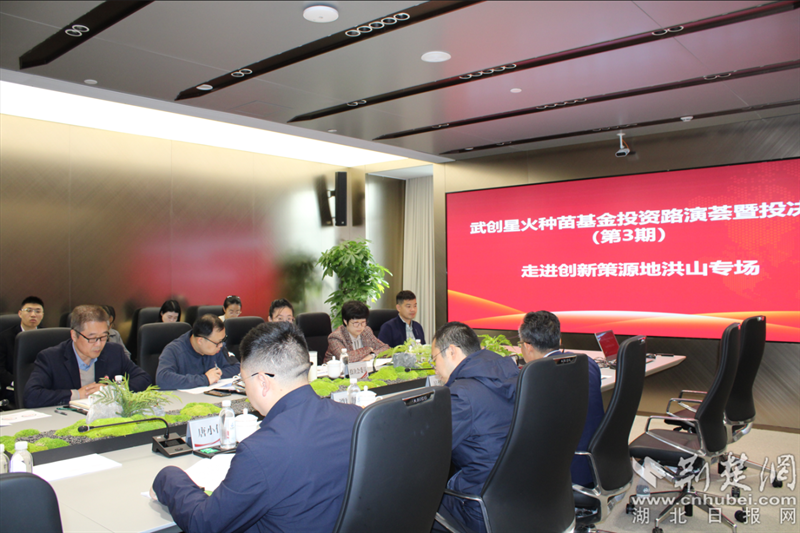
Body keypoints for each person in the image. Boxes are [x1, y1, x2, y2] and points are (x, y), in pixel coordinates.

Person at [151, 321, 361, 533]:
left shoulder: (260, 450)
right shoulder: (356, 418)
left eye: (243, 381)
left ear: (262, 382)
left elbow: (204, 524)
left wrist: (167, 477)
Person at [430, 322, 519, 533]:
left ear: (451, 351)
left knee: (414, 506)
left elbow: (429, 450)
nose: (435, 368)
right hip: (519, 495)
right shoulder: (511, 374)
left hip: (479, 506)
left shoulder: (462, 394)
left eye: (434, 359)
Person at [518, 310, 604, 488]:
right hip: (597, 461)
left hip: (565, 471)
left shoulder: (537, 377)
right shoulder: (588, 363)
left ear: (527, 346)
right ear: (559, 339)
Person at [23, 305, 151, 408]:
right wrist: (78, 394)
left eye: (103, 337)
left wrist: (111, 390)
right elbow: (31, 396)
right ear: (74, 335)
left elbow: (144, 379)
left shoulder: (114, 352)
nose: (99, 344)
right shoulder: (51, 358)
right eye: (92, 338)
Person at [156, 314, 239, 390]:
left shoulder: (218, 348)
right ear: (200, 341)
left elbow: (237, 367)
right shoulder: (174, 350)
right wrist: (205, 379)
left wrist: (215, 375)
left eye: (223, 340)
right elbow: (162, 379)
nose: (221, 345)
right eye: (218, 342)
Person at [0, 296, 44, 404]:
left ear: (43, 315)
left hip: (42, 387)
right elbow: (1, 370)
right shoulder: (5, 338)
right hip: (13, 389)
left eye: (38, 311)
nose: (33, 315)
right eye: (29, 310)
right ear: (20, 314)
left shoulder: (47, 337)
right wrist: (18, 383)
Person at [324, 300, 389, 364]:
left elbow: (386, 349)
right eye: (355, 323)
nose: (360, 327)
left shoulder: (366, 331)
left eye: (363, 322)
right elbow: (347, 358)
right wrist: (368, 349)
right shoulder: (336, 337)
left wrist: (372, 355)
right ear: (345, 321)